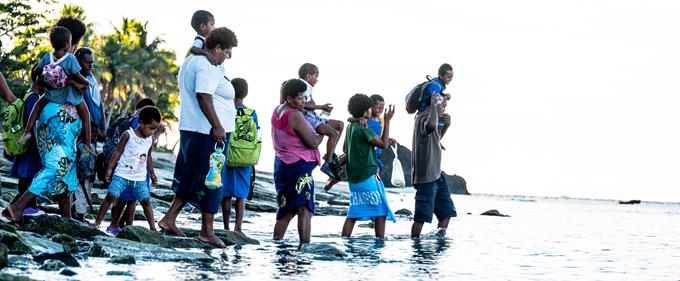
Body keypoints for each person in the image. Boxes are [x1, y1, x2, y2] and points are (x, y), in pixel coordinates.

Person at [158, 27, 238, 248]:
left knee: (191, 176)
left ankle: (168, 219)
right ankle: (207, 232)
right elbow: (203, 95)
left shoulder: (192, 60)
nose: (227, 56)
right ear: (218, 47)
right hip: (208, 133)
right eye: (227, 51)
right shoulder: (207, 65)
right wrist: (218, 126)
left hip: (193, 128)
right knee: (213, 179)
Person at [19, 26, 93, 155]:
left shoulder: (47, 57)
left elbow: (37, 71)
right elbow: (77, 75)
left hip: (50, 95)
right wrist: (86, 82)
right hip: (68, 97)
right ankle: (87, 143)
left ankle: (27, 132)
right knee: (86, 115)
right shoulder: (70, 59)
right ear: (66, 44)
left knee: (37, 107)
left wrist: (43, 80)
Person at [330, 94, 396, 238]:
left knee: (354, 212)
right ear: (366, 110)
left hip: (353, 176)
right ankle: (380, 244)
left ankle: (345, 240)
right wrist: (388, 121)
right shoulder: (363, 126)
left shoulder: (350, 126)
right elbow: (383, 145)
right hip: (366, 173)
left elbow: (345, 148)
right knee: (380, 212)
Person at [272, 79, 323, 243]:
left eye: (305, 98)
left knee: (286, 209)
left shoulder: (278, 110)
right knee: (304, 209)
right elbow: (313, 142)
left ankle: (277, 243)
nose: (304, 102)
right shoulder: (294, 115)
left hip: (282, 165)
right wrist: (323, 130)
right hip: (297, 167)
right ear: (289, 99)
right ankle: (305, 247)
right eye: (300, 98)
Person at [94, 106, 161, 231]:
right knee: (111, 196)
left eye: (155, 129)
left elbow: (149, 156)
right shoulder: (128, 135)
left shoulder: (150, 139)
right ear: (141, 123)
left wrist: (152, 173)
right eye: (151, 128)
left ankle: (153, 228)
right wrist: (110, 168)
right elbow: (118, 152)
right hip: (122, 174)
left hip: (139, 178)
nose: (153, 132)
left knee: (146, 201)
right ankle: (97, 222)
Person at [410, 93, 456, 238]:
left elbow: (435, 138)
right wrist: (435, 106)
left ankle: (438, 242)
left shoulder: (434, 119)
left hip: (437, 174)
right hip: (426, 177)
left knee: (446, 212)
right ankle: (415, 245)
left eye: (444, 106)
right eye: (442, 105)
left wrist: (446, 125)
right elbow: (429, 127)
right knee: (421, 217)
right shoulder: (423, 117)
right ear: (433, 103)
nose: (444, 108)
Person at [2, 64, 45, 217]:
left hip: (26, 146)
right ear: (39, 77)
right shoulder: (34, 97)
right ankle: (27, 208)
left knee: (26, 178)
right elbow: (31, 123)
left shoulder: (29, 94)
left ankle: (22, 206)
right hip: (30, 148)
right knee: (29, 178)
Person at [221, 78, 258, 233]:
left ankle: (226, 226)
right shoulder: (252, 114)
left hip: (228, 155)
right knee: (241, 195)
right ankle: (239, 228)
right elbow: (257, 136)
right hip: (245, 157)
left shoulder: (226, 109)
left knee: (226, 193)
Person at [297, 63, 344, 181]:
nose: (317, 80)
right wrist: (322, 107)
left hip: (313, 115)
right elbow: (302, 105)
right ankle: (327, 163)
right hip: (307, 117)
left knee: (340, 125)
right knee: (334, 133)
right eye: (316, 76)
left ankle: (331, 155)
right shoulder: (303, 85)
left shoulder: (306, 86)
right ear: (308, 76)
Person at [75, 47, 106, 135]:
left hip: (94, 133)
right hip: (81, 131)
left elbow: (100, 105)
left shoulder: (92, 79)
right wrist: (93, 127)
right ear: (77, 62)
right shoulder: (75, 82)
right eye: (87, 63)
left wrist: (103, 128)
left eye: (92, 63)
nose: (91, 66)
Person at [73, 121, 98, 222]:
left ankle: (76, 213)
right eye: (93, 133)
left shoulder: (92, 145)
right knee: (81, 197)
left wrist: (94, 174)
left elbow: (94, 161)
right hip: (80, 178)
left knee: (86, 195)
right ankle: (80, 217)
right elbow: (74, 162)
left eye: (96, 134)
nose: (95, 136)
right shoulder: (79, 146)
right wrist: (80, 175)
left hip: (89, 177)